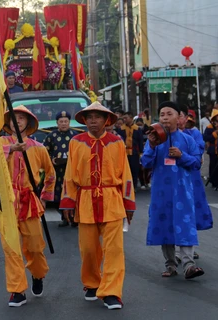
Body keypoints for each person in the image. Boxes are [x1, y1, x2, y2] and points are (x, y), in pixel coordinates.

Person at [59, 102, 135, 310]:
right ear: (84, 120)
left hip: (112, 199)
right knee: (89, 249)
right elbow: (69, 175)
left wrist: (129, 203)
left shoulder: (116, 142)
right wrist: (68, 201)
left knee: (114, 250)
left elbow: (126, 175)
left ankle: (111, 291)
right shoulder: (76, 142)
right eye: (89, 117)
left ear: (106, 120)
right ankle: (92, 283)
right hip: (85, 199)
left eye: (98, 117)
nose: (93, 121)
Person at [141, 101, 205, 280]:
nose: (165, 118)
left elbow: (196, 164)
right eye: (162, 114)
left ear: (179, 118)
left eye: (169, 114)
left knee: (185, 225)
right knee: (165, 226)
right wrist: (152, 147)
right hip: (161, 193)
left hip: (182, 191)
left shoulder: (187, 139)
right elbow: (145, 163)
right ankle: (170, 264)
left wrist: (181, 156)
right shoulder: (154, 139)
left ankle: (189, 264)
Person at [1, 105, 56, 306]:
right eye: (14, 118)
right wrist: (10, 150)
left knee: (34, 245)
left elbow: (50, 174)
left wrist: (44, 197)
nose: (18, 121)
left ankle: (37, 274)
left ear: (28, 123)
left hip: (29, 200)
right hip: (6, 202)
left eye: (22, 118)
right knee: (11, 247)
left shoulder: (38, 147)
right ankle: (17, 290)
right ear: (8, 123)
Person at [179, 105, 213, 261]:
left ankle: (188, 247)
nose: (177, 119)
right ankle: (175, 252)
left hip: (191, 177)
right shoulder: (163, 135)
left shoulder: (194, 134)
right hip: (171, 181)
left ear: (186, 118)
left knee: (190, 212)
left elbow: (197, 154)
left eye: (180, 116)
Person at [43, 111, 79, 227]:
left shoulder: (75, 136)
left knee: (73, 193)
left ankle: (74, 218)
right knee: (59, 194)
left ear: (69, 122)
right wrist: (51, 160)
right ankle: (64, 217)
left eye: (66, 121)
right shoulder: (51, 136)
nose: (63, 124)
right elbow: (44, 152)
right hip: (57, 172)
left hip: (72, 171)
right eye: (61, 122)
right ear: (57, 123)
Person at [116, 112, 144, 189]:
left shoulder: (137, 129)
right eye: (124, 118)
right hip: (124, 153)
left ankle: (133, 187)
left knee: (134, 170)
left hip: (134, 153)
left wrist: (141, 153)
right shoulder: (121, 129)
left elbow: (140, 142)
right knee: (125, 171)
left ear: (131, 118)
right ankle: (126, 187)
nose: (124, 120)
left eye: (126, 118)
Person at [203, 109, 218, 189]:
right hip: (212, 148)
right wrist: (215, 134)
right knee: (213, 166)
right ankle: (214, 182)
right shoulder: (209, 127)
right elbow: (205, 137)